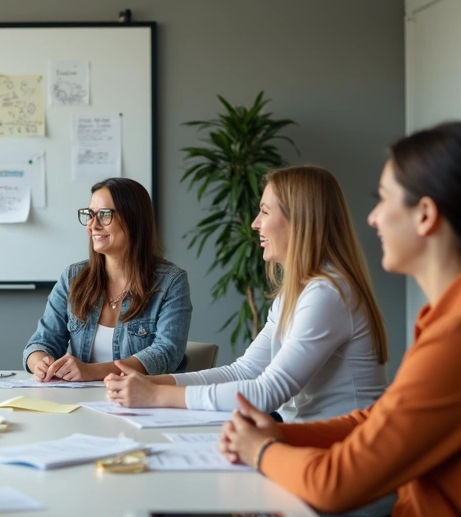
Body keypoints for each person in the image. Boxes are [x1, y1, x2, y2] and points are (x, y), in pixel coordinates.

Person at [222, 122, 461, 517]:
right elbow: (381, 420)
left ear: (426, 215)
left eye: (382, 199)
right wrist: (284, 436)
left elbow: (335, 485)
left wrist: (262, 450)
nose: (373, 218)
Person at [104, 166, 389, 424]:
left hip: (344, 449)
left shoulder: (327, 294)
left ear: (299, 220)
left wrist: (156, 396)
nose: (255, 224)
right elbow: (244, 371)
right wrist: (154, 384)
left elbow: (267, 392)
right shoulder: (298, 292)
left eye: (265, 211)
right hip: (307, 437)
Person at [23, 177, 191, 381]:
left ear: (134, 219)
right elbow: (41, 343)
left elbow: (166, 354)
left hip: (141, 403)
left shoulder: (171, 282)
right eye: (89, 215)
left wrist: (91, 371)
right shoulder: (72, 277)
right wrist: (40, 363)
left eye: (104, 215)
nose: (92, 225)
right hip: (77, 402)